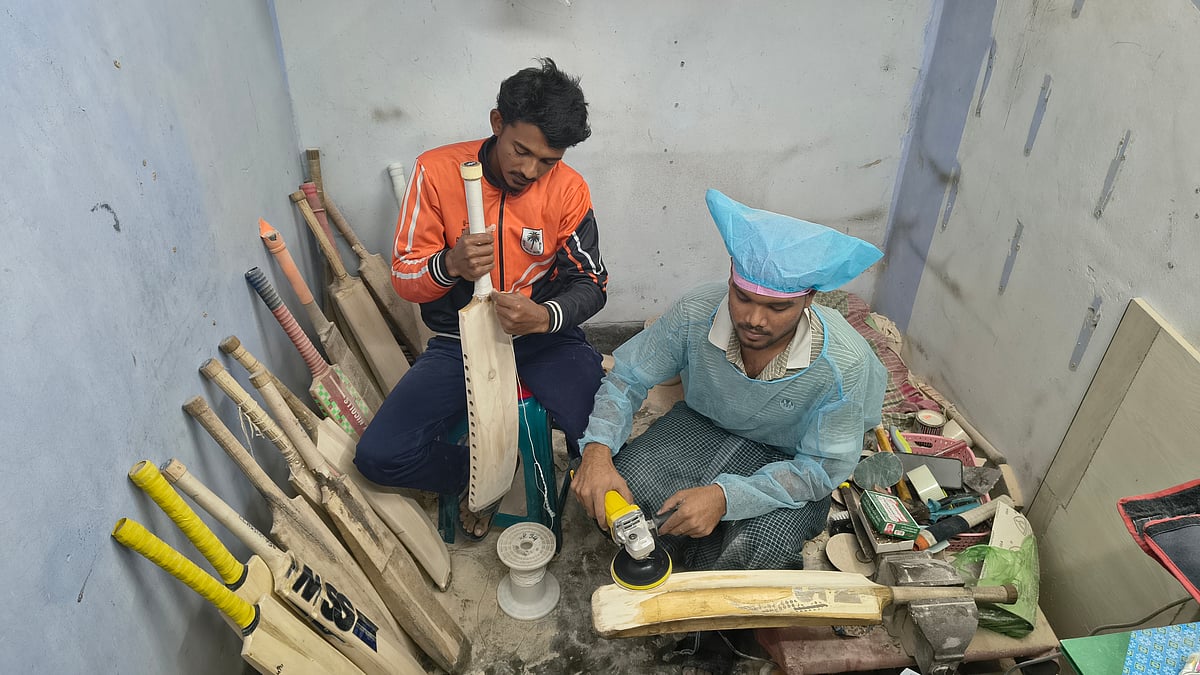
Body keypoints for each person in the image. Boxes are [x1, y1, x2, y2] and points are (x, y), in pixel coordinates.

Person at [355, 57, 607, 540]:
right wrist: (448, 265)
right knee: (380, 455)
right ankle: (486, 477)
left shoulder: (568, 189)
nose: (530, 171)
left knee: (600, 435)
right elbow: (405, 277)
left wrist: (544, 316)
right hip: (460, 340)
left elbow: (591, 283)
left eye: (548, 161)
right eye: (521, 151)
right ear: (497, 123)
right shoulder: (436, 172)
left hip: (542, 338)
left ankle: (584, 500)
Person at [571, 189, 886, 570]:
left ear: (809, 300)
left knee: (760, 546)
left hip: (790, 457)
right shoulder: (696, 311)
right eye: (743, 296)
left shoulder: (844, 363)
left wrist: (724, 498)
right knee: (617, 496)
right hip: (702, 425)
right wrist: (597, 452)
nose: (754, 318)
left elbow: (822, 467)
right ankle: (681, 558)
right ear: (730, 280)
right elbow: (627, 377)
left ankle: (704, 599)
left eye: (777, 307)